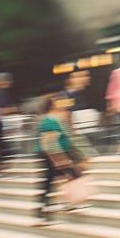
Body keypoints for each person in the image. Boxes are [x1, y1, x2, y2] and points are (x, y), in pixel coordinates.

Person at [35, 95, 83, 225]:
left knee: (61, 179)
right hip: (52, 155)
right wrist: (58, 159)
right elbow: (48, 142)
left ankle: (63, 205)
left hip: (55, 154)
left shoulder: (55, 118)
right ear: (53, 105)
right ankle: (43, 213)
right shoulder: (49, 120)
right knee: (64, 177)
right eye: (58, 101)